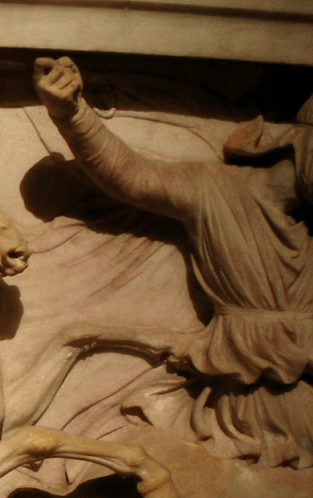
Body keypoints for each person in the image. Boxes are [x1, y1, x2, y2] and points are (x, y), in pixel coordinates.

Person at [33, 56, 313, 468]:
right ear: (298, 143)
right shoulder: (216, 189)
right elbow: (132, 176)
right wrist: (71, 112)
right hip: (253, 393)